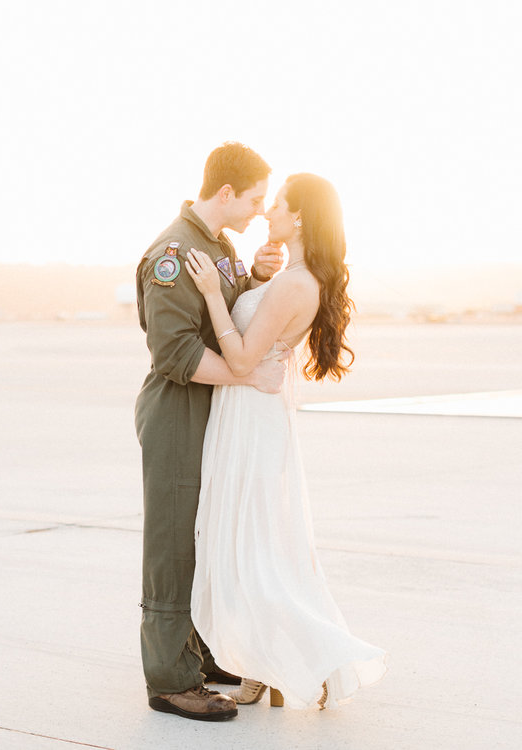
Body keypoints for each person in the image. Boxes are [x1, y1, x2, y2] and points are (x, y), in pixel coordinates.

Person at [184, 173, 388, 710]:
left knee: (252, 549)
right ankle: (260, 664)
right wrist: (252, 278)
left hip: (250, 416)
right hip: (245, 411)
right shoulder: (289, 276)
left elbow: (245, 359)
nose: (268, 212)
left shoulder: (299, 285)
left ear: (298, 217)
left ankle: (314, 657)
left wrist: (210, 294)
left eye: (276, 205)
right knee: (246, 544)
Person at [134, 142, 286, 722]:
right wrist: (250, 380)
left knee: (204, 532)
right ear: (226, 193)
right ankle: (171, 678)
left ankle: (196, 653)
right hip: (178, 408)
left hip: (211, 407)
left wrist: (254, 279)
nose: (257, 211)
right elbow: (174, 350)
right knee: (173, 540)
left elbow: (222, 318)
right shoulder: (174, 251)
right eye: (253, 199)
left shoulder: (219, 246)